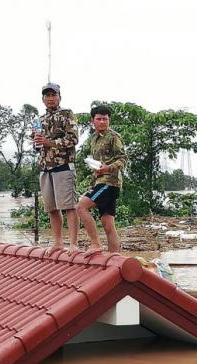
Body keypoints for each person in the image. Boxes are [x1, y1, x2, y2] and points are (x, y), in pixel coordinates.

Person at [33, 83, 79, 255]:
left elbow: (73, 139)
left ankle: (73, 243)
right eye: (47, 95)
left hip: (63, 165)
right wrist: (37, 142)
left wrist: (49, 142)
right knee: (51, 208)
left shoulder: (67, 114)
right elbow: (37, 145)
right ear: (43, 99)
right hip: (45, 166)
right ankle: (58, 242)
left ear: (60, 97)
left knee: (69, 206)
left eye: (54, 95)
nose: (50, 98)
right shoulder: (39, 120)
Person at [76, 105, 127, 257]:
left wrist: (107, 168)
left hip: (109, 182)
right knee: (107, 223)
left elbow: (123, 159)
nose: (102, 122)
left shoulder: (113, 137)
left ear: (109, 120)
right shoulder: (93, 139)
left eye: (105, 119)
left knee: (81, 207)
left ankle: (96, 244)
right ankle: (115, 257)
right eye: (99, 119)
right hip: (100, 181)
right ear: (93, 121)